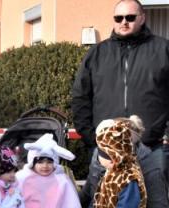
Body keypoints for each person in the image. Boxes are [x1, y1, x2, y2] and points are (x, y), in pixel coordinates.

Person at [71, 0, 169, 172]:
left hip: (152, 149)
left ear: (142, 18)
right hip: (106, 151)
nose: (124, 22)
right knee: (106, 198)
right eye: (119, 18)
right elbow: (81, 96)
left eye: (130, 17)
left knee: (155, 199)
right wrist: (91, 137)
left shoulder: (163, 49)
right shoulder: (97, 53)